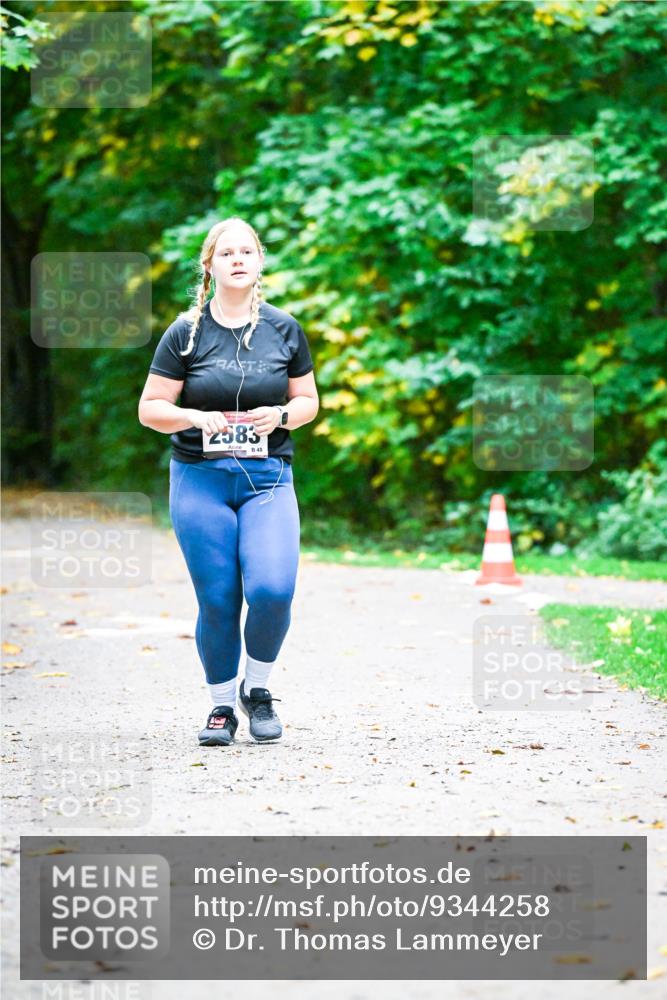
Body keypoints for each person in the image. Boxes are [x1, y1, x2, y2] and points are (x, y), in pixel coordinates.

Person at [138, 216, 319, 747]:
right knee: (218, 598)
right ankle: (221, 707)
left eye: (247, 251)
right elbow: (150, 409)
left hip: (267, 479)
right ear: (210, 265)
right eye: (226, 253)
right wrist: (195, 418)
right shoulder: (186, 333)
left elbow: (308, 402)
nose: (238, 259)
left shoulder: (285, 329)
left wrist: (281, 416)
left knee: (273, 589)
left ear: (259, 261)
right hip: (200, 480)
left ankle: (257, 691)